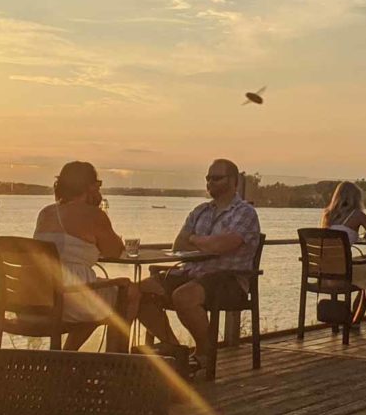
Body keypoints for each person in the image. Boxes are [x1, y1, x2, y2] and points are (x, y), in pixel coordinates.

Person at [138, 159, 260, 374]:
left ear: (233, 181)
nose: (209, 182)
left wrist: (195, 239)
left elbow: (222, 246)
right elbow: (178, 244)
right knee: (141, 290)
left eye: (216, 178)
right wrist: (206, 242)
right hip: (191, 272)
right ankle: (176, 351)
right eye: (208, 177)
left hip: (228, 280)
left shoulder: (245, 213)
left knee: (184, 296)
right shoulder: (200, 211)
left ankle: (205, 352)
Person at [33, 161, 140, 351]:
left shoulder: (46, 212)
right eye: (97, 185)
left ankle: (66, 356)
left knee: (94, 300)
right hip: (68, 297)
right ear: (90, 187)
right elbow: (114, 251)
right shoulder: (94, 215)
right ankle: (114, 358)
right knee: (130, 291)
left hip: (37, 294)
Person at [320, 181, 366, 335]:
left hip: (325, 274)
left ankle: (358, 320)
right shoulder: (357, 215)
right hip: (342, 276)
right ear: (356, 198)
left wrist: (359, 235)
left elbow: (339, 236)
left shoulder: (327, 216)